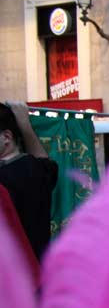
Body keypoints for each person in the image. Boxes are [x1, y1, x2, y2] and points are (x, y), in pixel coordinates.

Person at [0, 101, 59, 261]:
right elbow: (46, 163)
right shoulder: (38, 169)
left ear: (6, 137)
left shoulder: (6, 178)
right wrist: (25, 124)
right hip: (38, 272)